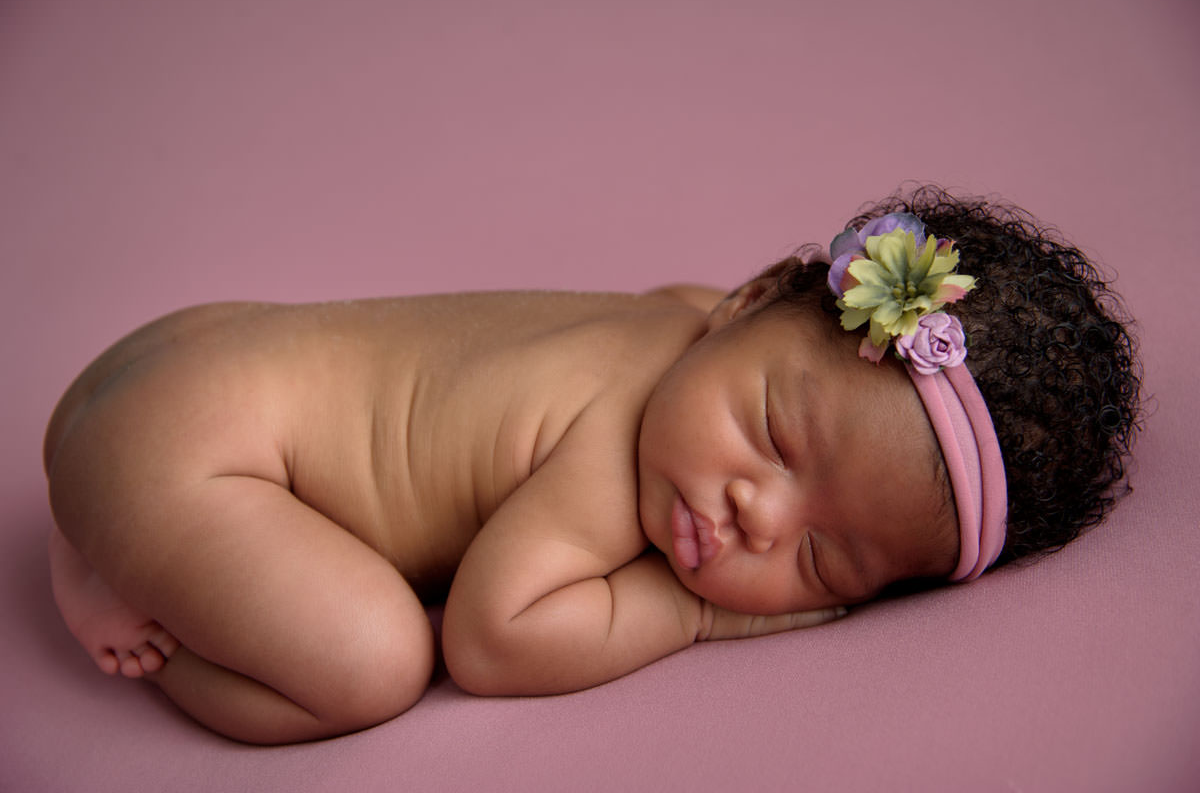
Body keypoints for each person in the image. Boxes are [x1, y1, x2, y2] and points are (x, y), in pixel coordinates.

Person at [43, 185, 1141, 744]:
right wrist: (699, 615)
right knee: (373, 664)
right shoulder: (609, 462)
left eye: (820, 555)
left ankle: (126, 522)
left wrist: (772, 426)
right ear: (747, 298)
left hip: (185, 348)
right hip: (186, 454)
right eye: (771, 434)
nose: (755, 512)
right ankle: (125, 585)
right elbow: (490, 638)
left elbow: (797, 411)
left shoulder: (690, 323)